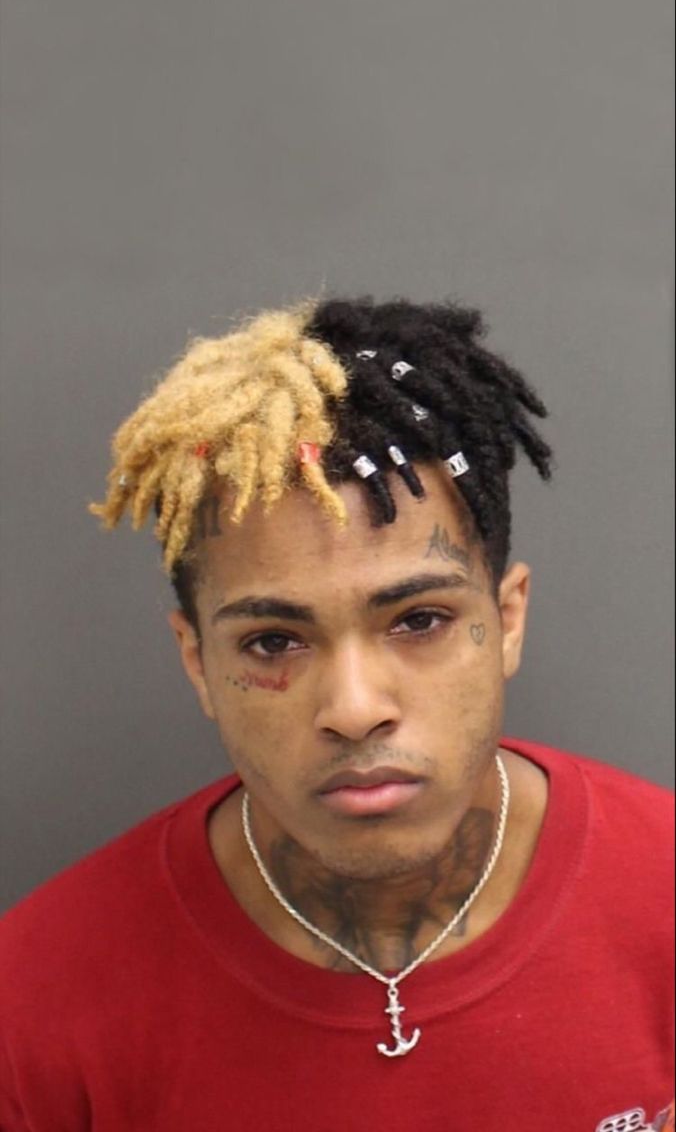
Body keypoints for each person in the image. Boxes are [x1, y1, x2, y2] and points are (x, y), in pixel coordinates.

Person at [0, 297, 673, 1132]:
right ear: (197, 663)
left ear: (507, 621)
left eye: (418, 620)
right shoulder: (30, 1001)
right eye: (274, 641)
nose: (354, 710)